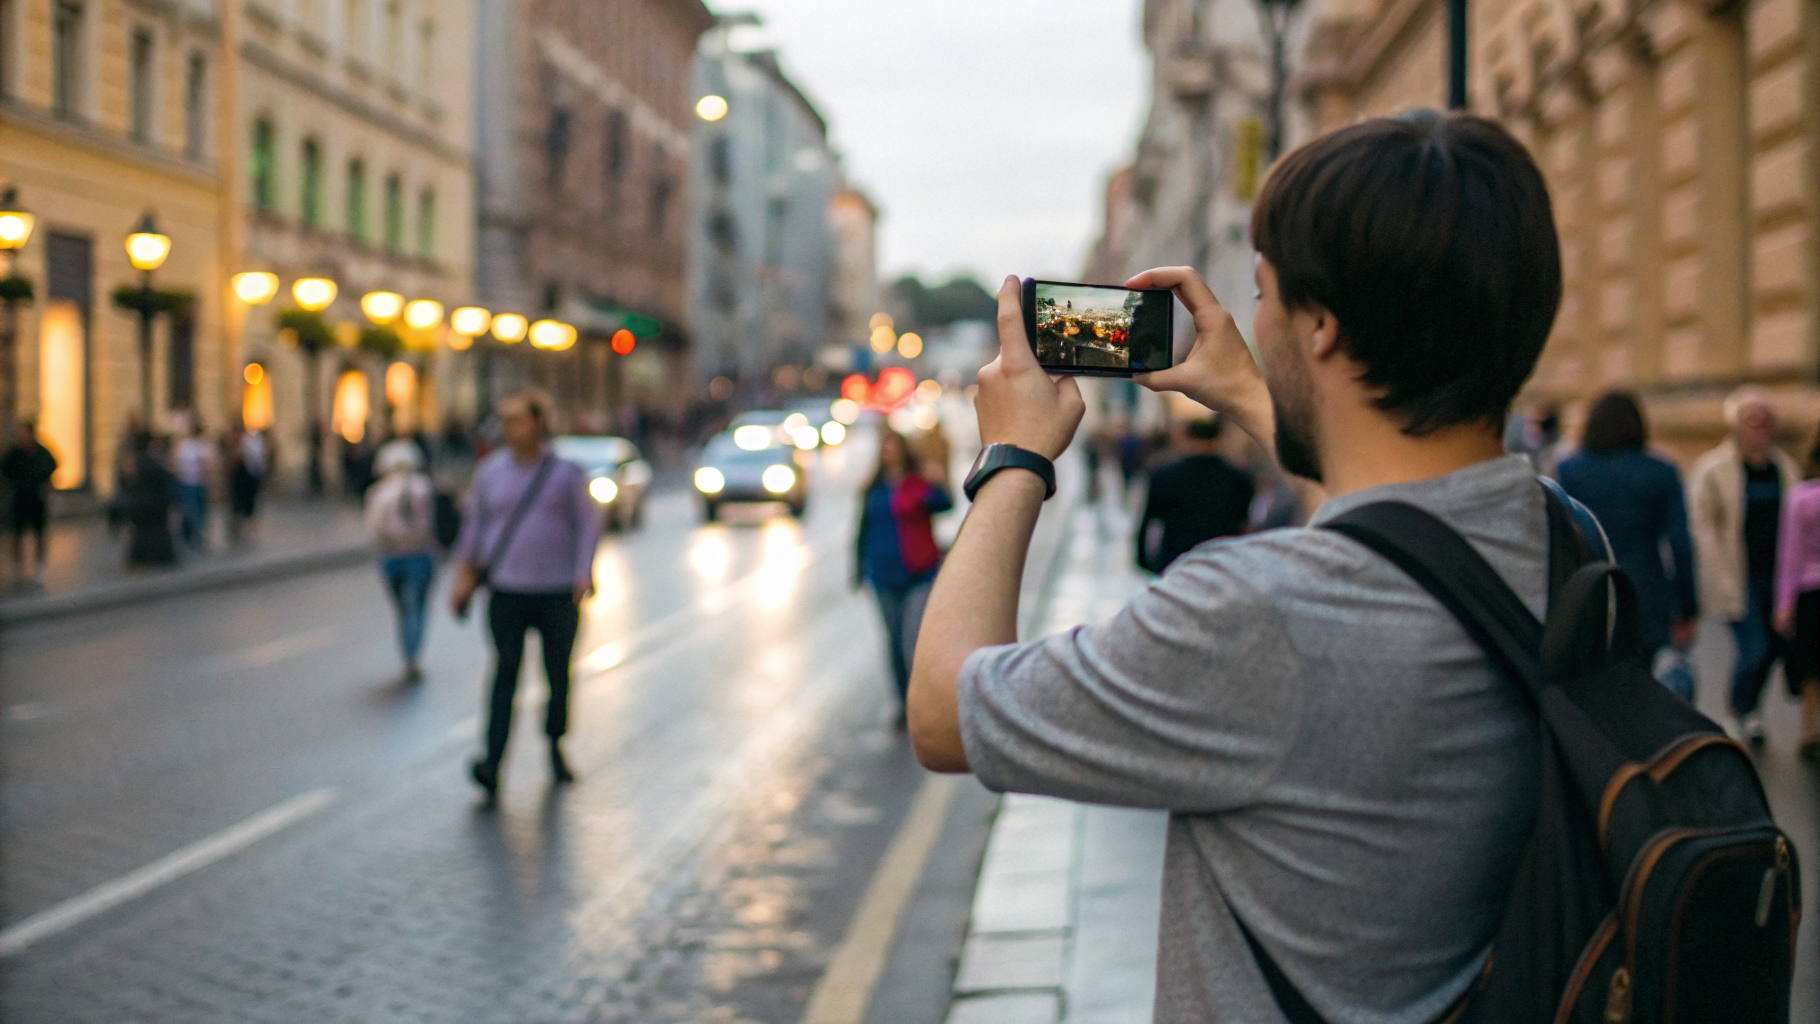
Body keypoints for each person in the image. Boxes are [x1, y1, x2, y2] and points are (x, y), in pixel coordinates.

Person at [908, 112, 1568, 1021]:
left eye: (1264, 295)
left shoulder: (1260, 614)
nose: (1253, 320)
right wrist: (1255, 394)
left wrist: (1016, 460)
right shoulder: (1563, 532)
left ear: (1322, 327)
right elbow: (1401, 530)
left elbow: (947, 713)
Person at [449, 389, 600, 803]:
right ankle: (492, 762)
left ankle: (555, 744)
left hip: (555, 592)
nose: (509, 428)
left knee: (557, 674)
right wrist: (464, 578)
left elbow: (587, 524)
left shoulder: (565, 473)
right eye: (504, 420)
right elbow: (474, 529)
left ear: (539, 423)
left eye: (518, 419)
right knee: (505, 674)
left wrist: (582, 571)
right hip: (507, 589)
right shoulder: (490, 473)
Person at [1689, 387, 1801, 744]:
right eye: (1752, 420)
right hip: (1736, 575)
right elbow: (1701, 525)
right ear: (1737, 425)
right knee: (1754, 647)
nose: (1760, 427)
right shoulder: (1714, 469)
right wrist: (1713, 572)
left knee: (1774, 646)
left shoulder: (1785, 468)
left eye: (1766, 420)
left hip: (1778, 575)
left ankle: (1751, 710)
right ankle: (1737, 710)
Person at [1556, 392, 1697, 662]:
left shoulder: (1569, 471)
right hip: (1645, 592)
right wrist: (1687, 608)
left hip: (1586, 591)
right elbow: (1681, 543)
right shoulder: (1661, 471)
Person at [854, 429, 953, 727]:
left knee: (914, 639)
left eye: (895, 448)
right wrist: (858, 570)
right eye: (886, 449)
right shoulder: (874, 488)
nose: (890, 454)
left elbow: (945, 504)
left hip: (918, 573)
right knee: (893, 642)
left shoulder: (918, 482)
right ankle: (902, 702)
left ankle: (922, 700)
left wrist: (936, 480)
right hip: (883, 575)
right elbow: (862, 531)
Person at [1135, 417, 1256, 574]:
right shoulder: (1239, 478)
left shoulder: (1163, 475)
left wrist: (1145, 561)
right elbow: (1244, 524)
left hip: (1175, 561)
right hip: (1222, 563)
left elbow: (1149, 521)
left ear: (1187, 437)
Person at [365, 439, 438, 680]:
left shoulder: (380, 492)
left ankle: (409, 651)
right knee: (416, 606)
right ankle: (412, 654)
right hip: (421, 554)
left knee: (403, 608)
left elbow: (375, 529)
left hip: (393, 556)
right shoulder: (425, 488)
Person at [1773, 423, 1820, 761]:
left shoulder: (1802, 497)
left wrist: (1785, 603)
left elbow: (1790, 555)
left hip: (1810, 591)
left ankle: (1810, 728)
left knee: (1811, 668)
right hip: (1810, 590)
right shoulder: (1803, 498)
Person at [2, 420, 58, 581]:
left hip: (37, 500)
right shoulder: (15, 453)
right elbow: (6, 469)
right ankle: (18, 569)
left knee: (39, 534)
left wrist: (46, 483)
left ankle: (39, 568)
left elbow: (52, 464)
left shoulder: (41, 452)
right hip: (20, 499)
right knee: (17, 534)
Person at [123, 432, 178, 566]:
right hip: (152, 504)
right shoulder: (148, 461)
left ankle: (143, 557)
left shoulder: (137, 461)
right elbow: (165, 477)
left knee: (144, 533)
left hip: (143, 503)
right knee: (152, 533)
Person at [172, 418, 214, 550]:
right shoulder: (183, 445)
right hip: (187, 482)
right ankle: (191, 537)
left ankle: (198, 537)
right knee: (190, 511)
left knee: (199, 511)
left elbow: (209, 464)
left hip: (198, 482)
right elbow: (175, 463)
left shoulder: (201, 445)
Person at [226, 423, 269, 544]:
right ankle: (240, 532)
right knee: (238, 508)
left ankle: (247, 532)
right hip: (238, 483)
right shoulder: (231, 447)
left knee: (248, 507)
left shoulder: (248, 445)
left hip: (248, 481)